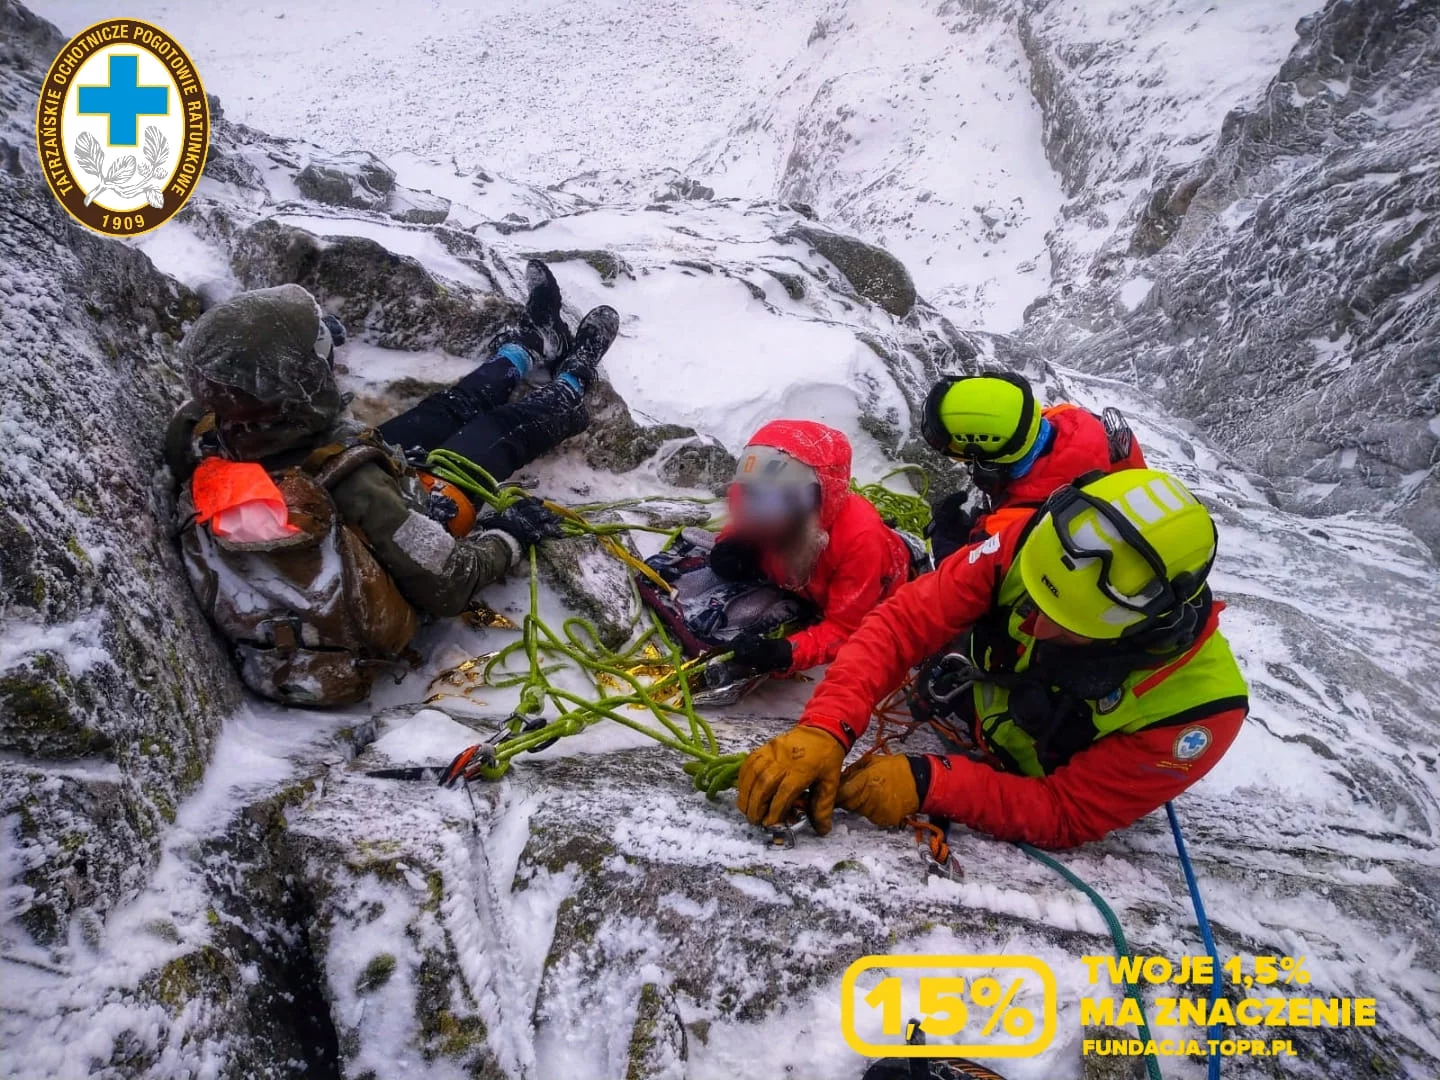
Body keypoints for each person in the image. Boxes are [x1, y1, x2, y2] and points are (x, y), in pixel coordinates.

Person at [166, 269, 617, 706]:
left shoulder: (207, 437)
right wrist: (508, 537)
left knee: (447, 409)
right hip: (396, 510)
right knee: (502, 428)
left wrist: (298, 361)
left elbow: (243, 396)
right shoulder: (357, 484)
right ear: (303, 387)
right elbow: (450, 583)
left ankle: (530, 344)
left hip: (321, 469)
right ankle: (574, 379)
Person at [736, 468, 1249, 849]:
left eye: (1070, 624)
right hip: (968, 705)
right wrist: (826, 728)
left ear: (1142, 624)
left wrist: (931, 782)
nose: (1037, 626)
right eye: (1039, 602)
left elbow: (1064, 812)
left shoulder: (1198, 709)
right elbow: (903, 623)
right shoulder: (1034, 543)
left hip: (1027, 772)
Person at [708, 420, 914, 676]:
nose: (762, 507)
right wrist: (730, 544)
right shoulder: (752, 492)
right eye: (754, 493)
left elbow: (846, 629)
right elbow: (742, 520)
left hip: (879, 583)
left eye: (777, 498)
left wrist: (784, 652)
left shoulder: (860, 539)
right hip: (808, 582)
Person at [921, 372, 1147, 563]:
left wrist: (945, 537)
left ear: (988, 465)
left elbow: (960, 585)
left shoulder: (1012, 527)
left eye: (969, 461)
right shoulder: (1067, 416)